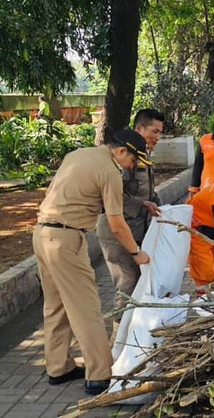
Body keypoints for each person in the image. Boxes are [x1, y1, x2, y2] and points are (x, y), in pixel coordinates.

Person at [32, 129, 151, 395]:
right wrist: (136, 253)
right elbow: (117, 224)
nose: (132, 166)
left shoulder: (79, 154)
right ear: (121, 152)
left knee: (56, 306)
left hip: (42, 234)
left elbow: (80, 193)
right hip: (67, 241)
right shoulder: (110, 171)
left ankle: (58, 367)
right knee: (86, 308)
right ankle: (100, 374)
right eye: (133, 160)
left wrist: (141, 203)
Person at [96, 109, 164, 318]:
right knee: (127, 281)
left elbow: (146, 191)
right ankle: (119, 338)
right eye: (154, 131)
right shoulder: (123, 157)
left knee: (137, 279)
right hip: (117, 230)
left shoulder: (143, 154)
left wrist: (158, 206)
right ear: (139, 129)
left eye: (161, 133)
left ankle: (133, 332)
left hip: (136, 227)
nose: (157, 137)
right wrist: (141, 204)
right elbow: (112, 198)